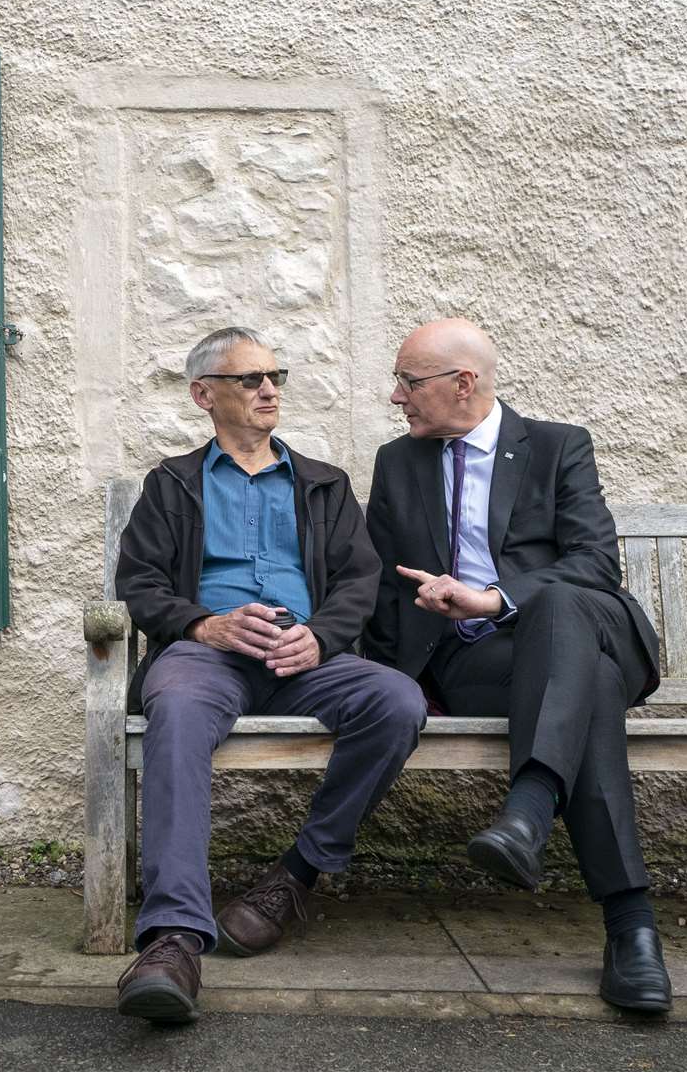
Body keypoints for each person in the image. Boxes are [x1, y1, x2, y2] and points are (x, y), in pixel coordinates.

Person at [112, 326, 427, 1024]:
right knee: (178, 712)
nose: (268, 389)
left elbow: (360, 580)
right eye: (250, 379)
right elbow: (139, 583)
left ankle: (295, 876)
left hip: (304, 657)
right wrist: (203, 624)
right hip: (207, 655)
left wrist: (318, 638)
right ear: (204, 396)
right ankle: (172, 940)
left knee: (396, 701)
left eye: (275, 377)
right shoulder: (171, 484)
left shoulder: (323, 484)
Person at [362, 317, 671, 1012]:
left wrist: (492, 597)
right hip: (479, 666)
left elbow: (595, 563)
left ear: (462, 383)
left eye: (408, 382)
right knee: (584, 692)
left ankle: (532, 811)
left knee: (560, 604)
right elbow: (382, 588)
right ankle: (630, 928)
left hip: (581, 630)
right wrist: (385, 676)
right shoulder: (397, 462)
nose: (395, 397)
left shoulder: (558, 447)